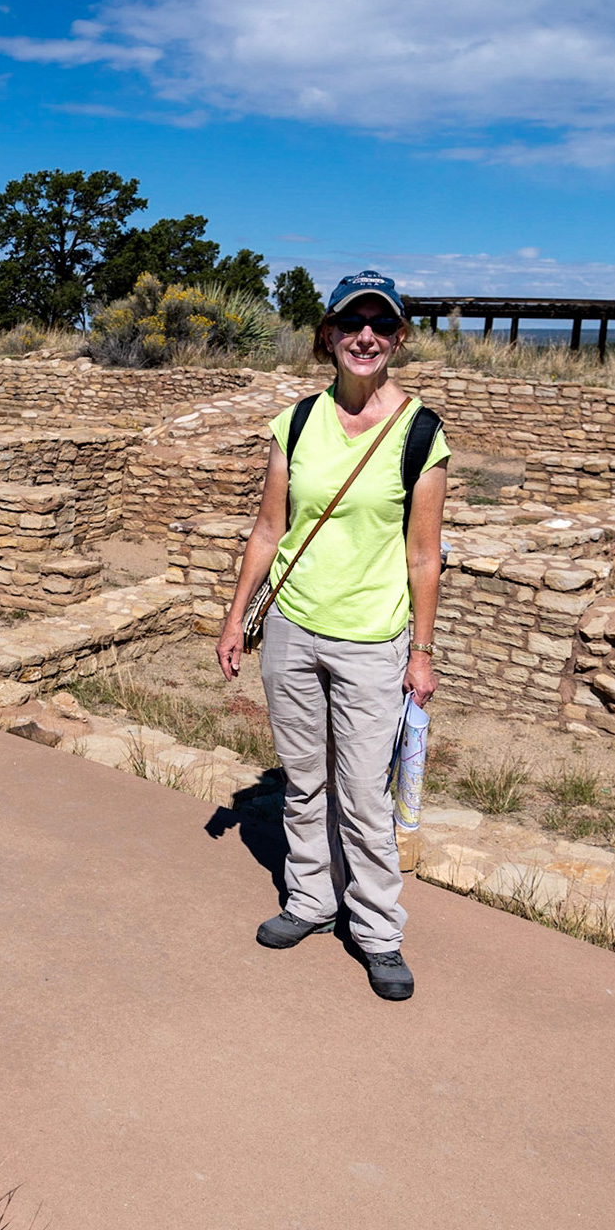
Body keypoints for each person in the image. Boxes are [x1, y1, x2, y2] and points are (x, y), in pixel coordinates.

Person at [216, 270, 449, 1001]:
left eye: (381, 325)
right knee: (303, 779)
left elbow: (423, 555)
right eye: (354, 324)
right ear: (330, 334)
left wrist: (421, 651)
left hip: (371, 640)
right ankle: (312, 901)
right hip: (291, 628)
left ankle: (378, 931)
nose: (366, 338)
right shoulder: (297, 422)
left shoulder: (420, 433)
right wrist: (235, 614)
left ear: (399, 338)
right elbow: (268, 527)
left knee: (362, 794)